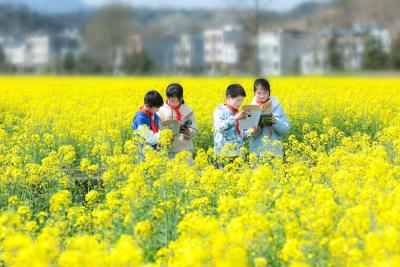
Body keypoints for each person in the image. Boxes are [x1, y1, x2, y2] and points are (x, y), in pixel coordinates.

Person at [249, 78, 290, 156]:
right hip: (257, 154)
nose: (262, 96)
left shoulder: (276, 106)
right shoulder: (251, 108)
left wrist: (275, 121)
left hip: (275, 152)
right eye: (259, 93)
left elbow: (286, 129)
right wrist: (257, 128)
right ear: (254, 93)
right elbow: (247, 134)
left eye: (265, 93)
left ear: (269, 92)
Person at [157, 83, 197, 159]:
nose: (174, 103)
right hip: (167, 150)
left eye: (177, 101)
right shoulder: (160, 110)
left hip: (185, 148)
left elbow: (194, 129)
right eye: (171, 100)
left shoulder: (188, 111)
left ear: (181, 98)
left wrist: (189, 131)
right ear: (167, 98)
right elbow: (155, 128)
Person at [213, 84, 252, 156]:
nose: (240, 103)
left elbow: (242, 136)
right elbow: (219, 128)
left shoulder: (238, 113)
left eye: (241, 100)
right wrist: (235, 118)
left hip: (238, 154)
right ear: (229, 97)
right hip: (224, 155)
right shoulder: (220, 110)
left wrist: (252, 131)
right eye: (237, 100)